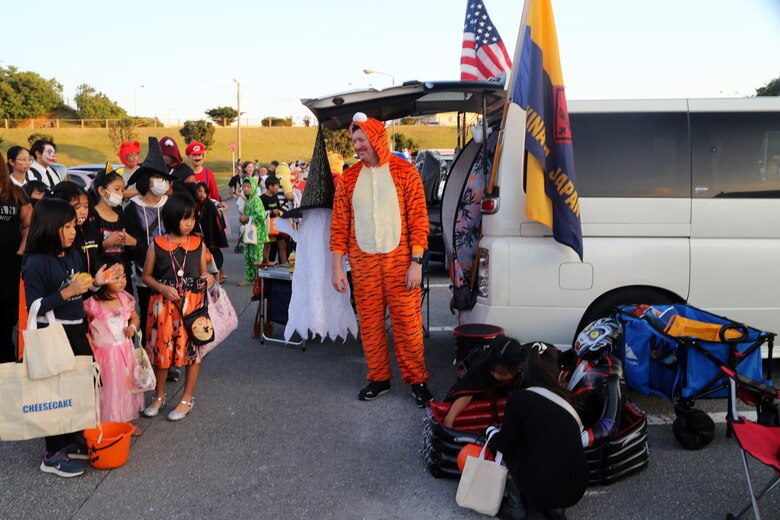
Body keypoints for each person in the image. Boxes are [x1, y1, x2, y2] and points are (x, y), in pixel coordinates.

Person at [330, 113, 432, 406]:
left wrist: (416, 261)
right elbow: (339, 225)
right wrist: (337, 267)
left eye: (361, 139)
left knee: (408, 325)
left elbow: (418, 220)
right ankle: (379, 378)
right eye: (354, 140)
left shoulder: (405, 172)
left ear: (375, 138)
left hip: (401, 263)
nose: (357, 145)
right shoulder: (348, 180)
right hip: (363, 267)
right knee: (371, 325)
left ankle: (418, 380)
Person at [23, 198, 114, 477]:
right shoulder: (36, 262)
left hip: (76, 328)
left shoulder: (73, 255)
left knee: (81, 385)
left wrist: (94, 284)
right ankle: (52, 454)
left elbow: (78, 293)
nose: (73, 231)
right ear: (50, 227)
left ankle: (72, 438)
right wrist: (66, 292)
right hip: (54, 332)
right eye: (66, 226)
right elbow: (34, 307)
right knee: (56, 392)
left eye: (74, 225)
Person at [486, 339, 589, 520]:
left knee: (512, 446)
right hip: (576, 489)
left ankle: (515, 507)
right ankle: (555, 509)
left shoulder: (519, 398)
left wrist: (491, 431)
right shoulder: (567, 398)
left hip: (542, 489)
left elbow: (505, 443)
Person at [140, 193, 213, 421]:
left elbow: (205, 272)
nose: (190, 223)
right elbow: (146, 276)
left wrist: (209, 279)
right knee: (161, 352)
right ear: (172, 218)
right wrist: (162, 288)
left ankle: (186, 399)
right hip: (163, 307)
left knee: (193, 352)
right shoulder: (157, 244)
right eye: (185, 218)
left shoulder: (198, 244)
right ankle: (159, 395)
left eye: (192, 218)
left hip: (192, 308)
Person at [83, 257, 144, 425]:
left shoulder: (125, 298)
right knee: (109, 390)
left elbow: (135, 317)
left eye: (124, 276)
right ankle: (108, 422)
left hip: (125, 351)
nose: (122, 281)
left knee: (126, 387)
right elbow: (82, 323)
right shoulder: (93, 303)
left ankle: (125, 421)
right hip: (105, 355)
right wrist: (87, 337)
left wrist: (132, 328)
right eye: (116, 278)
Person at [442, 338, 523, 428]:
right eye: (493, 371)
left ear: (518, 368)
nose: (497, 376)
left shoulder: (522, 373)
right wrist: (448, 420)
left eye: (503, 374)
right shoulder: (480, 368)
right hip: (477, 409)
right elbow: (466, 394)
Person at [0, 152, 31, 362]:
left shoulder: (16, 193)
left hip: (9, 265)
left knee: (6, 319)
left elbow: (30, 224)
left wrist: (21, 251)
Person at [90, 166, 137, 291]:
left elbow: (136, 252)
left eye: (122, 190)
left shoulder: (123, 216)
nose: (120, 194)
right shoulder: (91, 218)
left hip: (123, 281)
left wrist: (133, 242)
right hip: (102, 280)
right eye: (116, 189)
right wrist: (107, 243)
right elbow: (87, 252)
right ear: (101, 190)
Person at [51, 181, 102, 275]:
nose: (83, 212)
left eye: (86, 206)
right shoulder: (58, 234)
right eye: (77, 207)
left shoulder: (91, 227)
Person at [238, 177, 268, 286]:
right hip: (250, 232)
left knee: (256, 257)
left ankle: (259, 280)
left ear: (254, 187)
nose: (246, 189)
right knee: (248, 255)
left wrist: (247, 218)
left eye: (248, 187)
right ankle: (250, 278)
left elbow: (262, 216)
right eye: (244, 186)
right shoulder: (248, 200)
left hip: (258, 233)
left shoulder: (256, 200)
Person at [194, 181, 228, 275]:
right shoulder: (194, 205)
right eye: (199, 191)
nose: (202, 194)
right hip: (197, 236)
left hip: (208, 237)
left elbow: (213, 223)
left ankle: (216, 275)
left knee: (213, 257)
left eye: (204, 192)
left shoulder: (209, 205)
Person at [259, 176, 286, 267]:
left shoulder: (275, 197)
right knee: (267, 247)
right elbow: (260, 212)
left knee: (282, 245)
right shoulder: (262, 198)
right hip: (267, 226)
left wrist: (278, 211)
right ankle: (264, 265)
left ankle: (284, 265)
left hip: (276, 224)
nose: (278, 188)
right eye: (277, 186)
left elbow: (278, 207)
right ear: (270, 186)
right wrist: (269, 212)